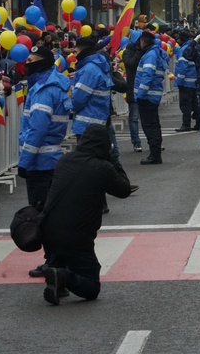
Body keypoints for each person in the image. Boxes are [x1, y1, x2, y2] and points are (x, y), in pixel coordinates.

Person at [39, 124, 133, 306]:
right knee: (91, 287)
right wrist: (113, 159)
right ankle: (62, 276)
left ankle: (57, 273)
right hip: (77, 235)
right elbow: (124, 189)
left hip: (48, 231)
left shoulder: (64, 160)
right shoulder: (101, 167)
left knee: (61, 256)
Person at [18, 45, 71, 278]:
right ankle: (56, 259)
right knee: (51, 214)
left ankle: (54, 262)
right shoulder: (52, 84)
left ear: (41, 63)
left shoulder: (43, 89)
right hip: (49, 158)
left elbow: (37, 129)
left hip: (41, 160)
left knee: (43, 215)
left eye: (31, 59)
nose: (26, 63)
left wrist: (24, 161)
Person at [133, 31, 169, 165]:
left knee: (150, 126)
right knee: (153, 125)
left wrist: (140, 95)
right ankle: (155, 153)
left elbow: (147, 75)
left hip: (147, 97)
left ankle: (154, 155)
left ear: (143, 41)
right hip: (152, 96)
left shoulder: (150, 55)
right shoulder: (155, 53)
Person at [120, 34, 144, 153]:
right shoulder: (127, 52)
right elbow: (131, 64)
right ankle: (136, 142)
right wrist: (139, 52)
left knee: (148, 117)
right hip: (133, 88)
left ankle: (153, 141)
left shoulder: (146, 51)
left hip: (145, 88)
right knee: (134, 117)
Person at [173, 32, 198, 132]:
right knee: (195, 103)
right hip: (194, 81)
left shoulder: (183, 50)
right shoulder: (194, 48)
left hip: (185, 82)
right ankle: (199, 122)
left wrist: (179, 82)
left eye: (178, 39)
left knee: (185, 105)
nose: (177, 41)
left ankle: (186, 124)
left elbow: (182, 68)